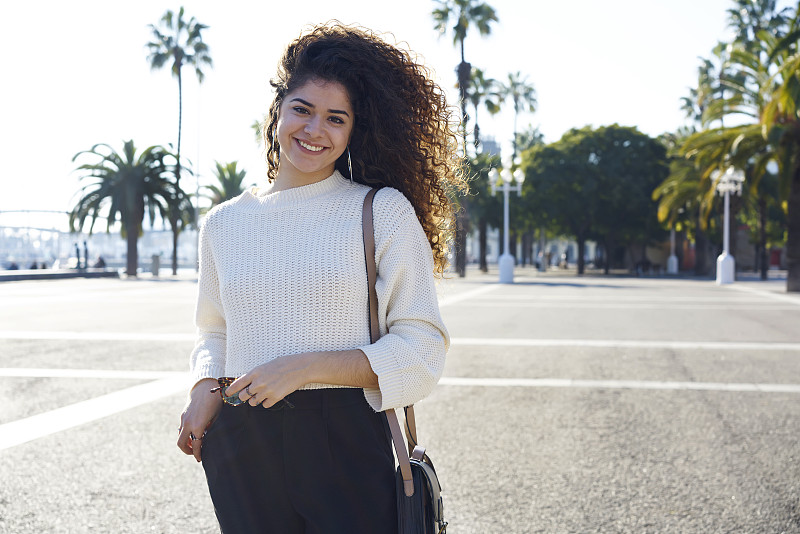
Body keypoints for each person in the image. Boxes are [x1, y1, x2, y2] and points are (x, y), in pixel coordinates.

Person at [177, 22, 465, 533]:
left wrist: (305, 367)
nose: (314, 130)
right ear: (277, 113)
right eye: (302, 110)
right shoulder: (223, 223)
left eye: (336, 118)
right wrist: (205, 386)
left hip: (347, 440)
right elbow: (214, 327)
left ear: (355, 131)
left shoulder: (381, 212)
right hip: (243, 442)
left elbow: (423, 349)